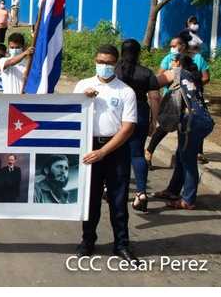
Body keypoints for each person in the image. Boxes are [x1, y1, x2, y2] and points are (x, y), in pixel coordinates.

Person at [73, 44, 138, 262]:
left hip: (115, 149)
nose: (104, 66)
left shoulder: (125, 91)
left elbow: (127, 128)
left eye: (109, 63)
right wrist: (83, 99)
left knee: (118, 201)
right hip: (88, 147)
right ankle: (87, 241)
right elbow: (72, 116)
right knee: (90, 200)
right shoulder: (83, 85)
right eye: (101, 62)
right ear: (95, 61)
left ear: (116, 63)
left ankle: (121, 245)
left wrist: (103, 152)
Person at [152, 54, 214, 210]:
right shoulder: (192, 76)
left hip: (191, 122)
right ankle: (173, 191)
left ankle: (188, 200)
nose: (170, 64)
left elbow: (154, 82)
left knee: (188, 161)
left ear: (178, 63)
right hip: (199, 120)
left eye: (173, 61)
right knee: (181, 155)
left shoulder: (178, 72)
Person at [147, 35, 210, 164]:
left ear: (183, 46)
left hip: (191, 98)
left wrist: (190, 84)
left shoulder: (197, 58)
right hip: (173, 99)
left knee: (193, 122)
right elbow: (160, 77)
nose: (172, 48)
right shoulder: (168, 59)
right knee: (166, 124)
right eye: (171, 46)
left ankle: (197, 152)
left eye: (174, 45)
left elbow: (205, 77)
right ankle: (149, 150)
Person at [114, 39, 160, 213]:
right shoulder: (146, 73)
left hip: (117, 112)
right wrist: (153, 121)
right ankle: (141, 193)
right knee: (137, 154)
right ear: (139, 53)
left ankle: (113, 189)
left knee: (115, 152)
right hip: (139, 112)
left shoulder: (115, 71)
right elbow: (155, 98)